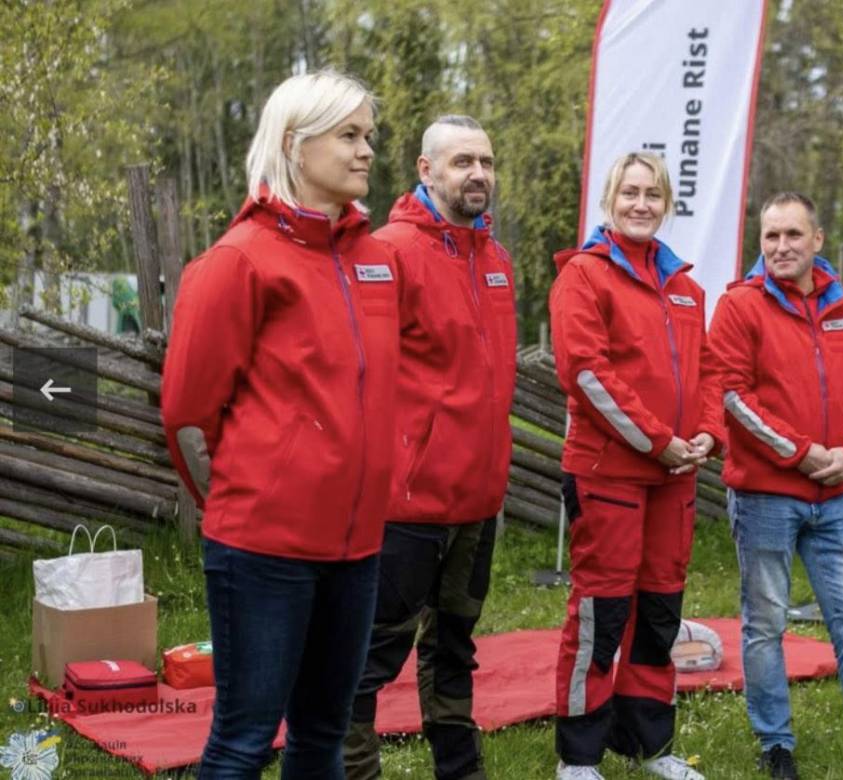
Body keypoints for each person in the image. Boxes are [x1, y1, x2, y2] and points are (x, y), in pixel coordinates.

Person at [161, 69, 400, 779]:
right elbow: (187, 416)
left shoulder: (375, 259)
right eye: (349, 135)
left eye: (369, 136)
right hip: (264, 549)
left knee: (324, 735)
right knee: (243, 740)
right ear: (296, 144)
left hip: (357, 548)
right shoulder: (238, 261)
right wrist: (245, 508)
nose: (366, 151)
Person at [707, 192, 843, 780]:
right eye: (771, 236)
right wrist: (801, 455)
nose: (781, 246)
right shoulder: (739, 306)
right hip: (765, 497)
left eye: (793, 235)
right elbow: (732, 397)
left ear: (818, 240)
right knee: (765, 627)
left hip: (835, 499)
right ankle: (775, 745)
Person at [343, 115, 516, 780]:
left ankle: (460, 771)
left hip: (479, 500)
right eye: (462, 161)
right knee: (370, 658)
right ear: (426, 169)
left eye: (486, 162)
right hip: (407, 504)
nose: (478, 174)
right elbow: (357, 373)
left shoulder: (496, 261)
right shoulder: (387, 252)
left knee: (454, 648)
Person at [548, 152, 723, 780]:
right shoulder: (584, 276)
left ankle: (648, 745)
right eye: (630, 192)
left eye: (652, 194)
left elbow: (710, 372)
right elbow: (587, 374)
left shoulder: (687, 289)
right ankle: (578, 757)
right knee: (602, 613)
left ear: (667, 204)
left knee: (659, 611)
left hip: (675, 478)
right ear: (610, 201)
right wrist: (657, 441)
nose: (641, 204)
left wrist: (708, 432)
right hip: (609, 475)